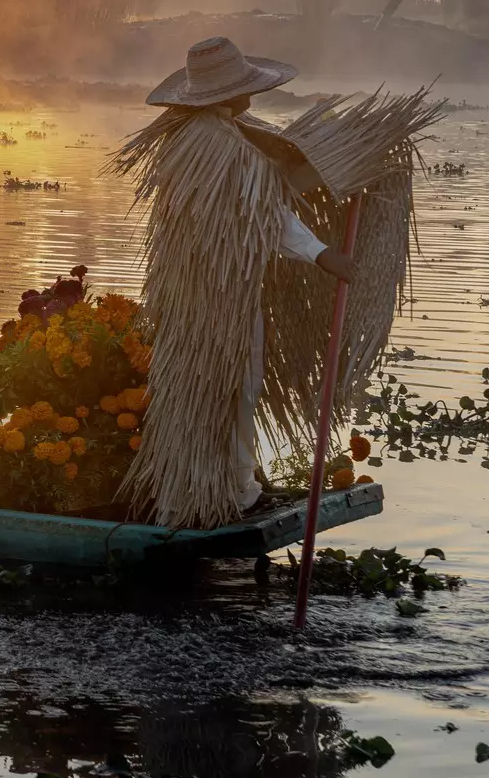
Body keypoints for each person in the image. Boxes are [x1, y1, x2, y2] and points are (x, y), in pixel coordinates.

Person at [112, 37, 439, 527]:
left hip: (196, 291)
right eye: (246, 86)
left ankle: (212, 487)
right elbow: (265, 211)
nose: (253, 95)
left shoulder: (206, 132)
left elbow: (273, 177)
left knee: (209, 386)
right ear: (229, 93)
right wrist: (323, 253)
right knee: (232, 382)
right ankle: (224, 491)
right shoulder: (218, 145)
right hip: (216, 296)